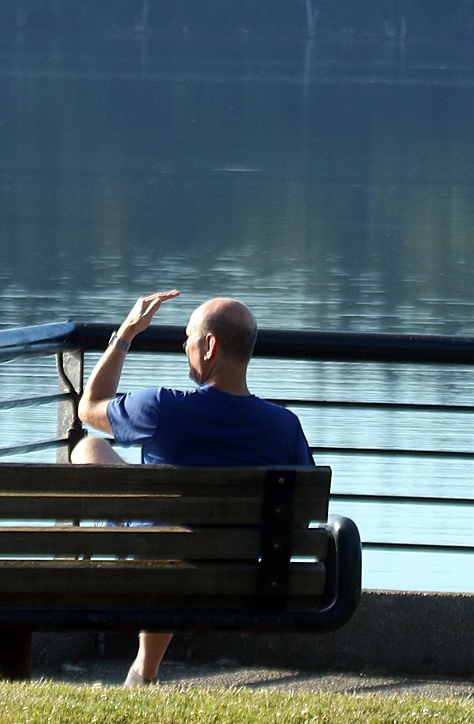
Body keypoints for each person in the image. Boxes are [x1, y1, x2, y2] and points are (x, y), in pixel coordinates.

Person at [74, 289, 313, 686]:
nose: (183, 346)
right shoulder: (284, 426)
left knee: (89, 447)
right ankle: (143, 671)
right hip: (243, 573)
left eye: (188, 337)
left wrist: (127, 333)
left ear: (209, 346)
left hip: (152, 561)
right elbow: (301, 517)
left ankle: (144, 667)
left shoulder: (162, 406)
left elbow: (90, 406)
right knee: (174, 536)